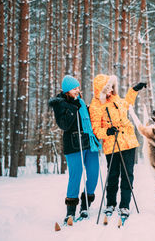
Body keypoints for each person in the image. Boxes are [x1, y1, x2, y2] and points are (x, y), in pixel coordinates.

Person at [89, 74, 146, 220]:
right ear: (100, 90)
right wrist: (107, 131)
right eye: (107, 90)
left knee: (128, 174)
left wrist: (133, 90)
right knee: (113, 175)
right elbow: (96, 129)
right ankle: (110, 203)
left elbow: (127, 104)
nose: (110, 92)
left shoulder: (116, 99)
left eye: (111, 88)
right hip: (111, 144)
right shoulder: (96, 105)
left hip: (128, 141)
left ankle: (124, 205)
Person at [49, 75, 102, 224]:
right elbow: (64, 125)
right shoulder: (60, 104)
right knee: (76, 176)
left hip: (89, 143)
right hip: (73, 145)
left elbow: (88, 120)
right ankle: (70, 211)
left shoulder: (81, 103)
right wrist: (73, 108)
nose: (77, 91)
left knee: (93, 174)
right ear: (66, 90)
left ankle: (85, 204)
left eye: (78, 88)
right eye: (74, 89)